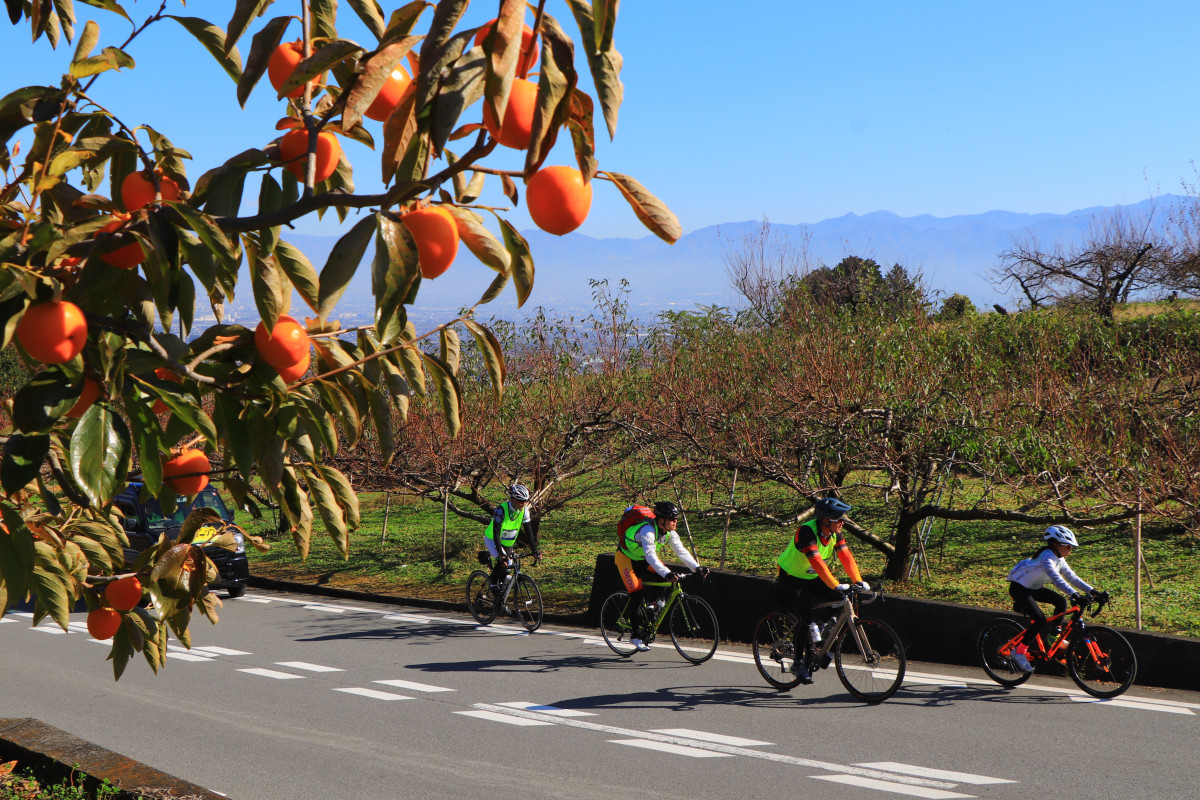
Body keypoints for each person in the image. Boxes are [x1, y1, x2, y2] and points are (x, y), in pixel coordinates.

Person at [775, 496, 868, 684]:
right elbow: (817, 562)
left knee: (840, 600)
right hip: (791, 577)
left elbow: (846, 556)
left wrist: (858, 580)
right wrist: (835, 584)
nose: (843, 522)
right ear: (826, 520)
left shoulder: (834, 533)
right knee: (805, 617)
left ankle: (817, 637)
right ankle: (798, 663)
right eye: (839, 519)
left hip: (811, 577)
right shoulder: (806, 532)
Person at [1006, 525, 1102, 672]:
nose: (1070, 550)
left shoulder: (1058, 558)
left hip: (1032, 588)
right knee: (1039, 620)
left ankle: (1053, 636)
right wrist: (1075, 594)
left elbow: (1072, 577)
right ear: (1056, 544)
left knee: (1061, 601)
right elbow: (1057, 580)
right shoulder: (1047, 558)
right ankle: (1018, 652)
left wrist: (1094, 592)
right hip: (1019, 588)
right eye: (1069, 546)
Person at [615, 500, 708, 651]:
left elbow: (681, 551)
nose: (675, 521)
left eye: (676, 518)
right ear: (661, 519)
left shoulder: (670, 534)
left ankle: (652, 605)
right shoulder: (647, 531)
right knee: (637, 593)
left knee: (662, 577)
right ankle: (635, 635)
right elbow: (651, 556)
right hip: (626, 558)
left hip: (642, 559)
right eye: (672, 518)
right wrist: (667, 573)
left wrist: (697, 568)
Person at [483, 484, 540, 596]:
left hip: (508, 543)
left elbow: (529, 532)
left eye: (525, 501)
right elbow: (496, 533)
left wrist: (534, 550)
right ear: (513, 499)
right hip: (493, 540)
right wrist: (501, 554)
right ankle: (493, 584)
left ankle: (501, 600)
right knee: (503, 562)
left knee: (508, 570)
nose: (523, 504)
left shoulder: (524, 511)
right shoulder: (501, 510)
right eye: (520, 501)